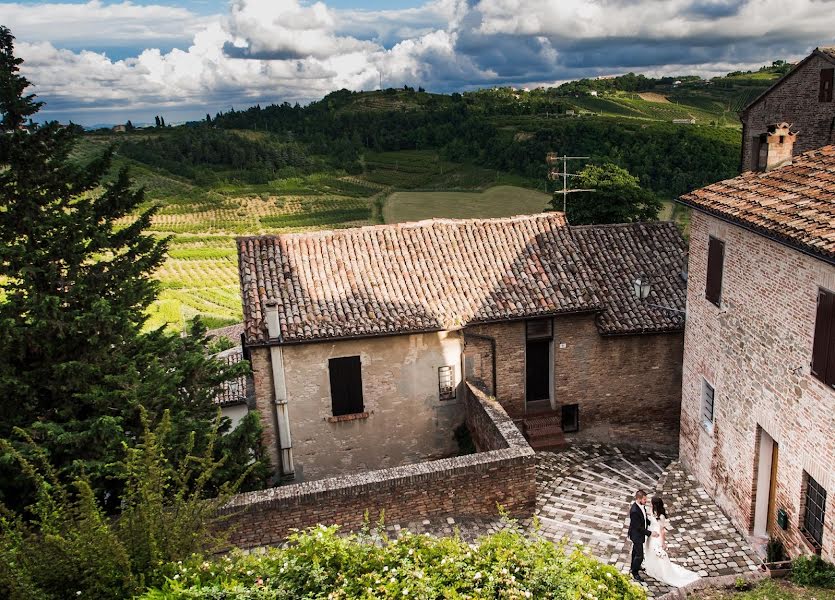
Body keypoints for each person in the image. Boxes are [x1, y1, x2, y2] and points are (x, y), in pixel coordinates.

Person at [643, 497, 700, 587]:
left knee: (657, 553)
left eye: (652, 503)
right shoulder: (652, 510)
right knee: (649, 550)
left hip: (657, 535)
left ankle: (661, 572)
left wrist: (663, 543)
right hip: (651, 534)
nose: (650, 504)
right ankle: (651, 568)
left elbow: (662, 530)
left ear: (655, 505)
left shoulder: (661, 516)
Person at [628, 489, 657, 582]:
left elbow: (644, 518)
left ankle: (633, 566)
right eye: (644, 500)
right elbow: (638, 528)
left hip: (638, 534)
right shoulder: (634, 511)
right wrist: (650, 533)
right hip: (636, 535)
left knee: (635, 552)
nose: (646, 501)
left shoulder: (641, 506)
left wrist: (649, 522)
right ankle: (635, 572)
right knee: (640, 555)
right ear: (639, 499)